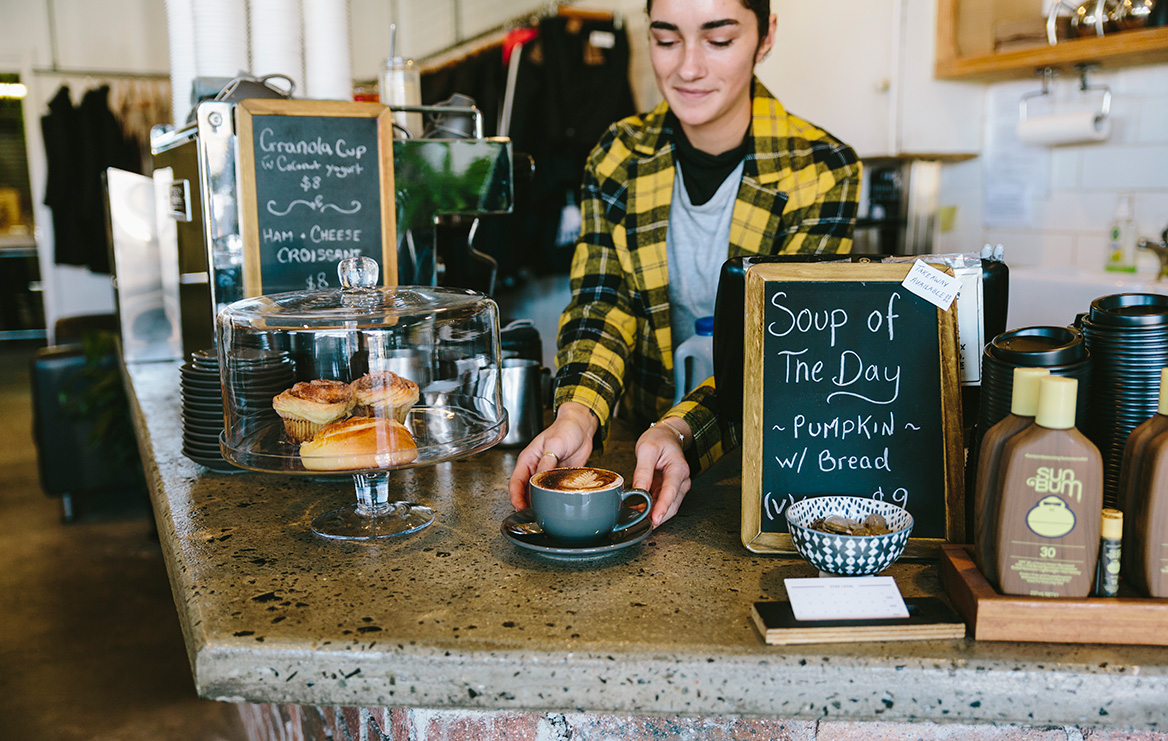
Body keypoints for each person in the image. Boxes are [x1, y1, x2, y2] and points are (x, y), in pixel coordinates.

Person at [507, 0, 861, 528]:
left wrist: (680, 430)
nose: (688, 68)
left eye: (719, 40)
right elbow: (603, 301)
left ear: (765, 38)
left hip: (768, 461)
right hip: (633, 451)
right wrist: (577, 413)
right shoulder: (619, 154)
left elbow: (782, 351)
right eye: (666, 39)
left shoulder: (821, 169)